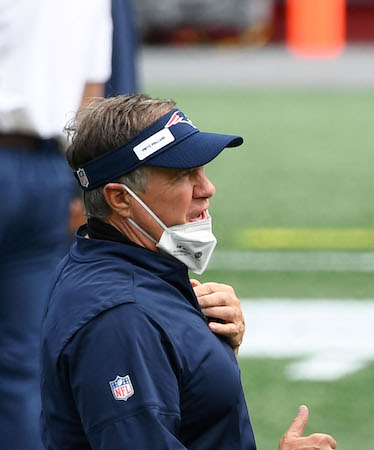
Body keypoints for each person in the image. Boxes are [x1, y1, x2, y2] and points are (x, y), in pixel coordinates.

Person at [40, 94, 337, 450]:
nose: (207, 188)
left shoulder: (120, 270)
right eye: (183, 174)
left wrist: (204, 344)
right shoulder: (121, 319)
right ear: (120, 200)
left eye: (202, 170)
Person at [0, 1, 112, 448]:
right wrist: (80, 188)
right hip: (47, 169)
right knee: (24, 364)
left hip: (40, 166)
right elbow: (91, 95)